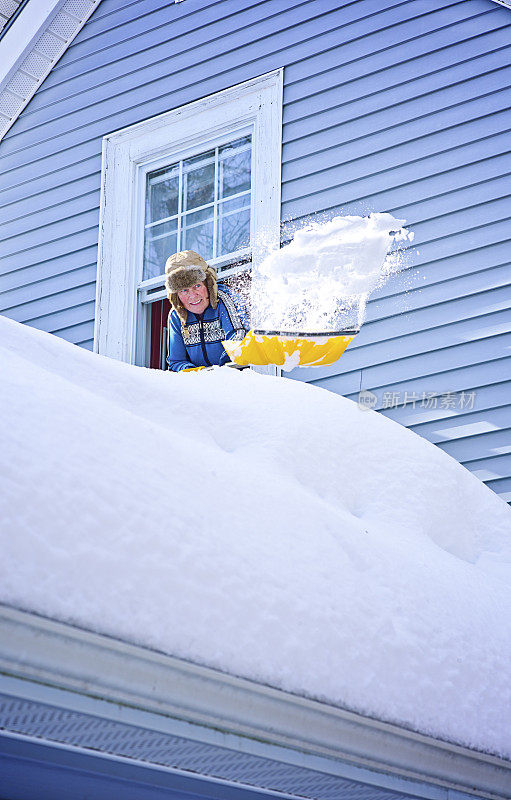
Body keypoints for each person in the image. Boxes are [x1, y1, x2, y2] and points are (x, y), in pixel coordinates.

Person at [165, 250, 248, 372]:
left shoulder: (224, 299)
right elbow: (176, 361)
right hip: (200, 383)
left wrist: (219, 371)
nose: (192, 296)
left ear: (208, 284)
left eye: (197, 286)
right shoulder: (176, 316)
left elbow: (239, 339)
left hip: (234, 375)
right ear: (176, 295)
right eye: (184, 290)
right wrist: (196, 374)